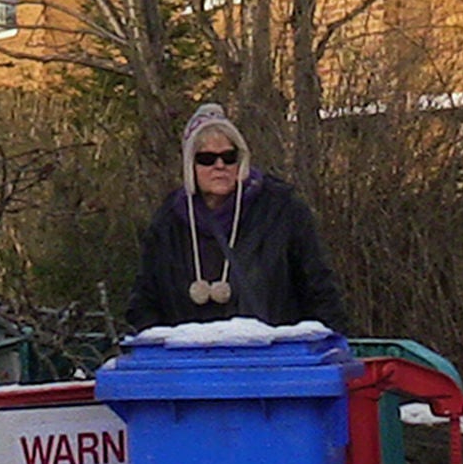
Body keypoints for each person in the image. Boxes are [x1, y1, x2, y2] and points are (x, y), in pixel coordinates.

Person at [125, 103, 349, 333]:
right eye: (206, 159)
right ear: (189, 165)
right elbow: (145, 300)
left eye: (229, 157)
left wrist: (329, 347)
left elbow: (318, 288)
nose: (219, 166)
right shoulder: (168, 222)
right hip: (191, 360)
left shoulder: (282, 210)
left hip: (270, 358)